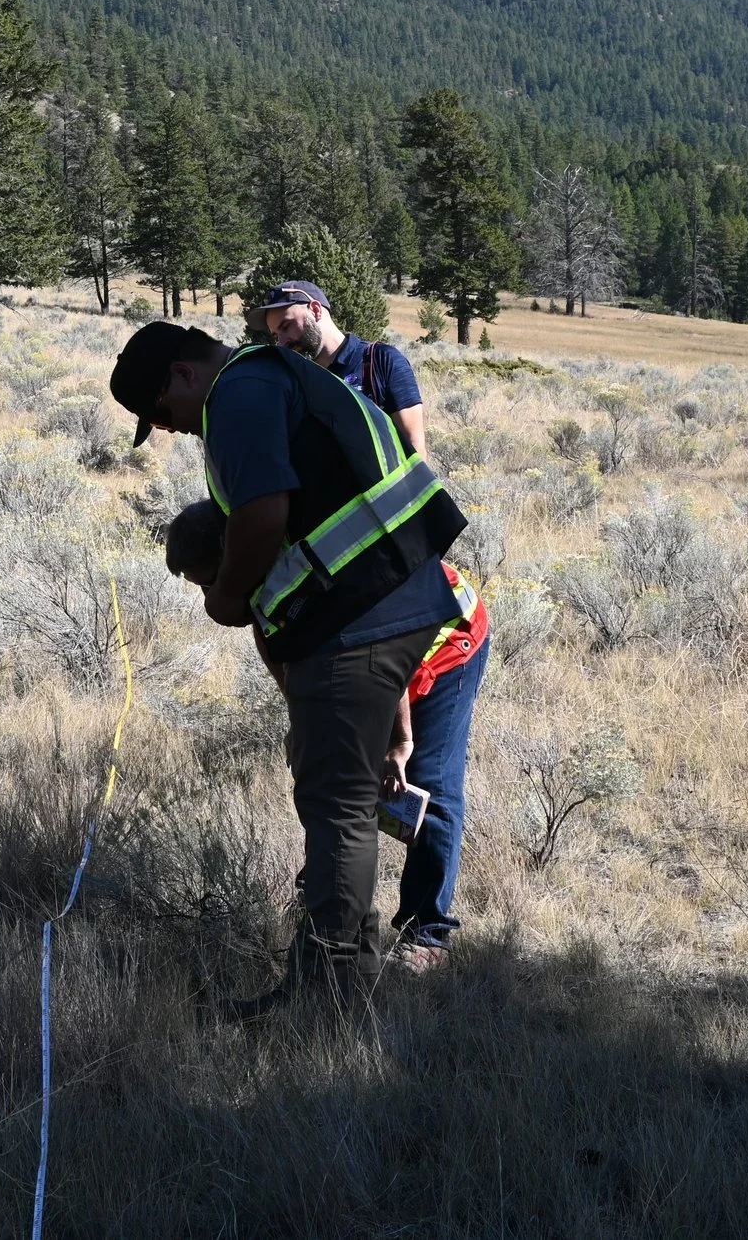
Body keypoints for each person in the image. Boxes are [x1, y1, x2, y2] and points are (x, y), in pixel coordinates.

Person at [111, 320, 466, 1013]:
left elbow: (264, 514)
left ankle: (326, 1001)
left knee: (338, 813)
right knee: (346, 804)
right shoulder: (269, 377)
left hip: (360, 618)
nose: (174, 428)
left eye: (163, 414)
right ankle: (330, 979)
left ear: (183, 375)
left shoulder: (236, 392)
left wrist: (225, 597)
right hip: (388, 601)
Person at [166, 500, 490, 973]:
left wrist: (398, 741)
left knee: (427, 782)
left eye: (211, 581)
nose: (211, 596)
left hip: (444, 642)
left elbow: (378, 646)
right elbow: (282, 652)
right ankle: (336, 896)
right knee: (334, 768)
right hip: (375, 654)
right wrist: (305, 722)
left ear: (231, 551)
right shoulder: (259, 579)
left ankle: (428, 932)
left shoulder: (313, 565)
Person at [253, 279, 427, 456]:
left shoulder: (380, 360)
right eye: (276, 335)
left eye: (286, 326)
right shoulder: (296, 381)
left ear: (315, 310)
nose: (282, 343)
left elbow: (415, 450)